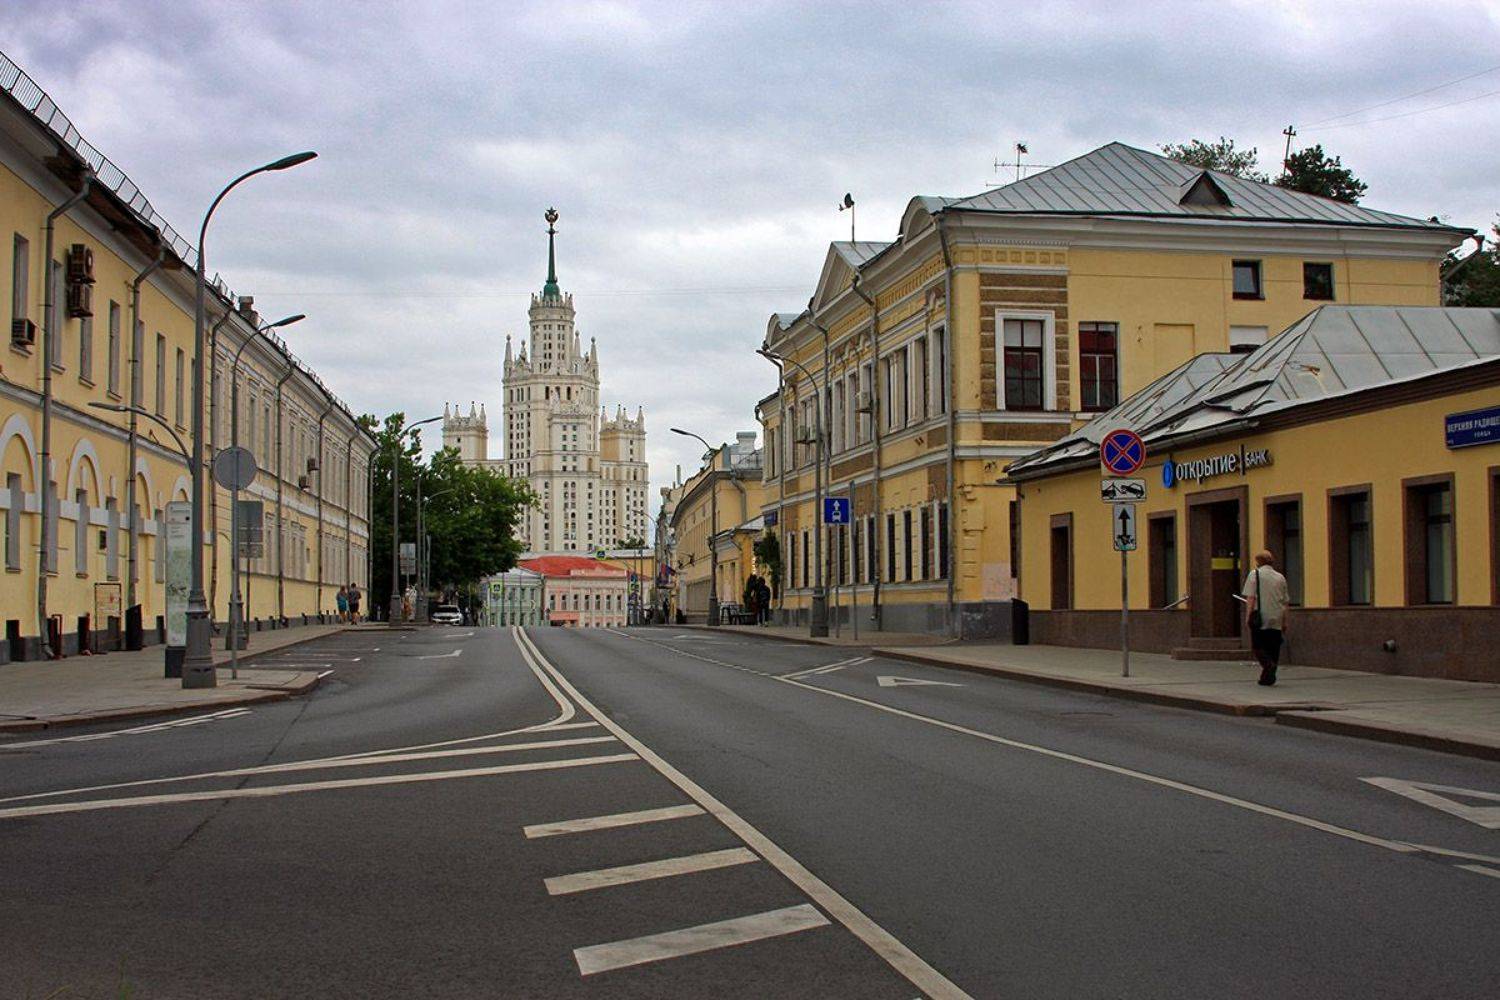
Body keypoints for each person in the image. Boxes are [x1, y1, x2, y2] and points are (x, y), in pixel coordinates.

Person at [1242, 550, 1290, 686]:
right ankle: (1268, 677)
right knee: (1273, 647)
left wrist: (1248, 616)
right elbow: (1285, 602)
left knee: (1258, 646)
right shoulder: (1280, 577)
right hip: (1277, 616)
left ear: (1258, 562)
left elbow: (1250, 598)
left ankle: (1268, 666)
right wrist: (1285, 620)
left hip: (1260, 616)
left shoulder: (1254, 574)